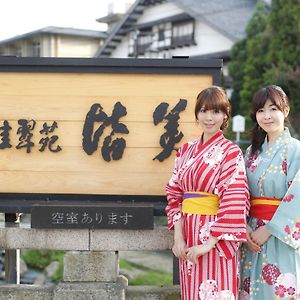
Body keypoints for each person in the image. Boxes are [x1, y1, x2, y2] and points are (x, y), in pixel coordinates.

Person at [166, 85, 249, 300]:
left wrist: (209, 243)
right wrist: (178, 237)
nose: (209, 117)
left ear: (225, 116)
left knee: (217, 292)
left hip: (217, 238)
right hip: (188, 235)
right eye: (203, 110)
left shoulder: (231, 152)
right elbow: (175, 195)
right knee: (192, 293)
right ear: (196, 114)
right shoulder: (185, 151)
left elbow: (234, 198)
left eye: (216, 111)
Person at [240, 85, 300, 300]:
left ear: (285, 111)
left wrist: (271, 228)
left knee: (278, 291)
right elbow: (239, 192)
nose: (267, 116)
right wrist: (243, 226)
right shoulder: (251, 153)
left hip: (279, 236)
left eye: (273, 109)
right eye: (260, 110)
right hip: (251, 235)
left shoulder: (296, 150)